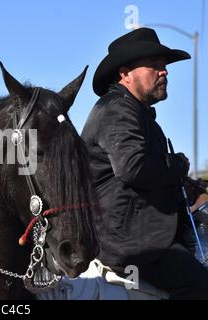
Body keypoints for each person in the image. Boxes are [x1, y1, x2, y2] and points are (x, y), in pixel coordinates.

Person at [81, 27, 208, 299]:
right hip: (131, 244)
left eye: (164, 66)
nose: (165, 72)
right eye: (154, 66)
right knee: (200, 285)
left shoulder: (133, 110)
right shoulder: (118, 109)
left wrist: (189, 185)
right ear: (125, 74)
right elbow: (133, 168)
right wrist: (178, 165)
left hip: (143, 236)